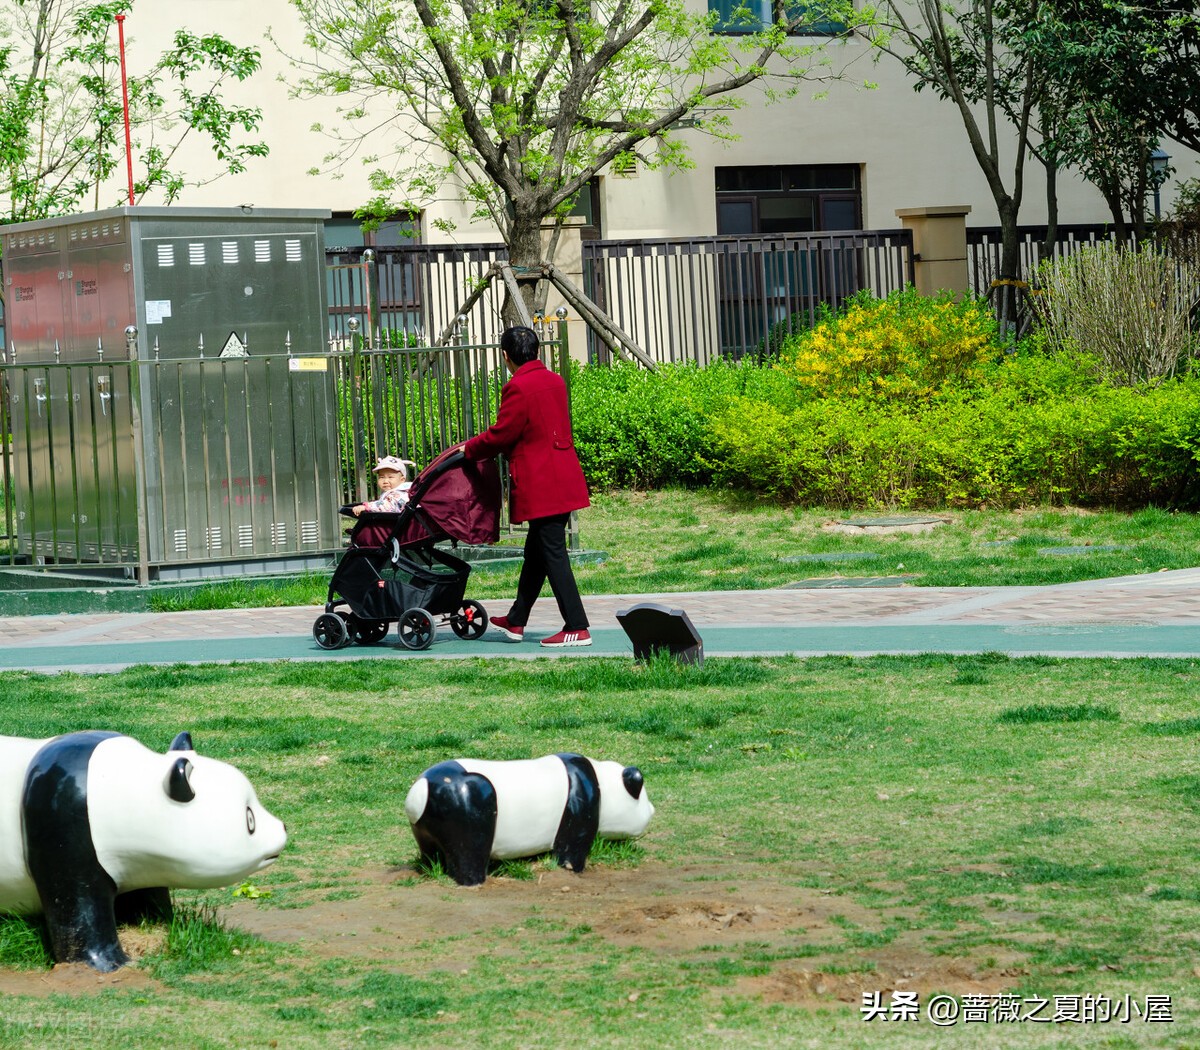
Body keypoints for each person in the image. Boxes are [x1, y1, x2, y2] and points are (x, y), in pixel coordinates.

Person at [463, 325, 591, 647]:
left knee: (552, 554)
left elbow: (502, 434)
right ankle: (517, 619)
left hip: (541, 483)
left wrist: (470, 449)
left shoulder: (518, 388)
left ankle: (577, 626)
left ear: (505, 356)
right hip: (563, 477)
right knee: (536, 554)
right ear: (536, 350)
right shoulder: (555, 381)